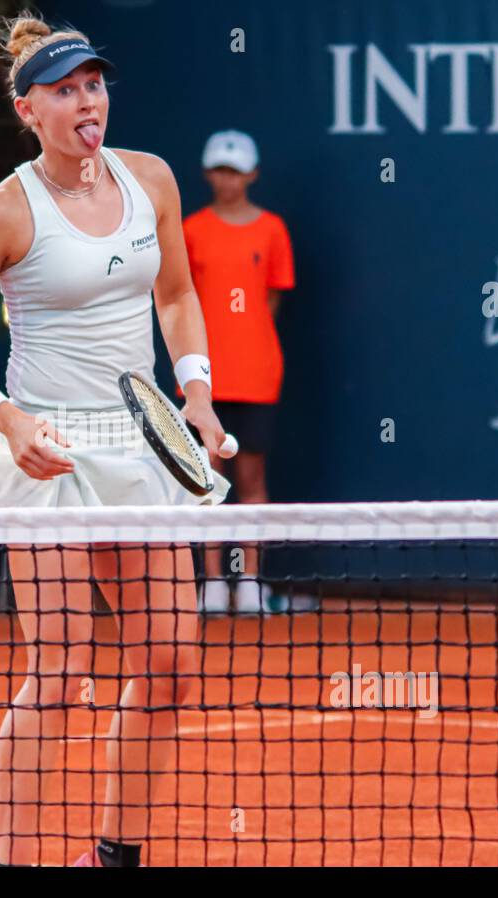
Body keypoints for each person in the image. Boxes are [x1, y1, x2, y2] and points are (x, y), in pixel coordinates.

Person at [0, 10, 233, 868]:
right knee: (60, 674)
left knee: (170, 663)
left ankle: (112, 857)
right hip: (48, 446)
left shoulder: (153, 181)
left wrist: (197, 396)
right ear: (30, 111)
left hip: (140, 444)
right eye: (65, 91)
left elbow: (174, 295)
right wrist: (9, 419)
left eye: (94, 84)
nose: (87, 101)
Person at [183, 130, 296, 614]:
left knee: (251, 478)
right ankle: (212, 583)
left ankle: (248, 580)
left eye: (235, 170)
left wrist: (242, 339)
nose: (226, 179)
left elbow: (271, 299)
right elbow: (179, 303)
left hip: (256, 374)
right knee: (208, 480)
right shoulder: (189, 230)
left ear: (251, 175)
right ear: (208, 174)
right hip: (203, 383)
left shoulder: (272, 230)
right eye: (219, 169)